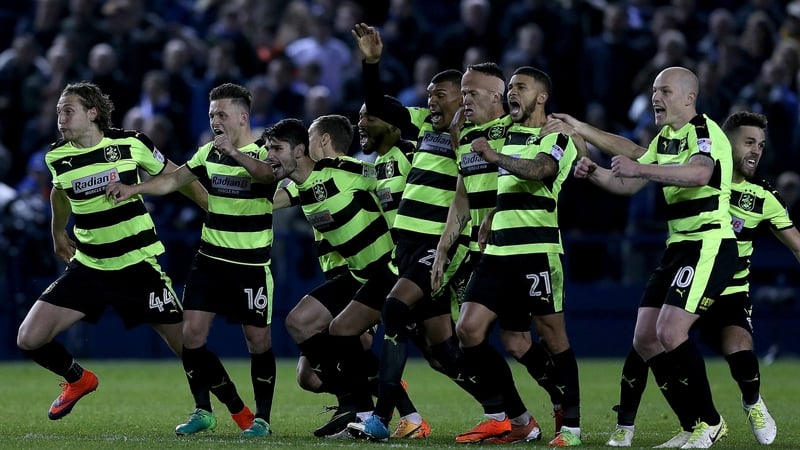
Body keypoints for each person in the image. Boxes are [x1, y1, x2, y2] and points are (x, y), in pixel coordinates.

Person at [567, 66, 738, 449]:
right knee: (646, 338)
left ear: (689, 98)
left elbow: (698, 175)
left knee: (670, 332)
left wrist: (640, 167)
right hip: (678, 246)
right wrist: (592, 167)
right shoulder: (665, 138)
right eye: (653, 90)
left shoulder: (704, 132)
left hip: (709, 242)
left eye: (663, 90)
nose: (655, 97)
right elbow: (626, 181)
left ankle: (710, 422)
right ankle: (691, 422)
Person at [15, 81, 207, 422]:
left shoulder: (130, 143)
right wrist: (57, 230)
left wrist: (212, 208)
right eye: (59, 110)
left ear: (92, 114)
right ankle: (78, 380)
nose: (60, 117)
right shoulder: (57, 157)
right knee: (29, 338)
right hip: (89, 265)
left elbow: (178, 177)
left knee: (186, 345)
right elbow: (59, 194)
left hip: (137, 265)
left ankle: (220, 410)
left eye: (68, 110)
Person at [601, 111, 790, 447]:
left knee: (739, 350)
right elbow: (642, 157)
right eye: (748, 142)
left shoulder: (763, 198)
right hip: (687, 271)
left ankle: (751, 402)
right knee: (645, 341)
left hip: (729, 290)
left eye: (760, 145)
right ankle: (679, 424)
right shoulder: (690, 169)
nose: (756, 151)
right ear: (724, 142)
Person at [106, 83, 277, 438]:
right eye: (212, 114)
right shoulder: (209, 153)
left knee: (257, 341)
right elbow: (173, 181)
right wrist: (133, 189)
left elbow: (267, 176)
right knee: (191, 335)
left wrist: (233, 151)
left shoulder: (265, 151)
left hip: (250, 265)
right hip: (210, 259)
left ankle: (262, 418)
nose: (215, 120)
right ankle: (203, 409)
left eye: (222, 114)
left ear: (243, 117)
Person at [345, 24, 477, 442]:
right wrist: (372, 63)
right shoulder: (421, 124)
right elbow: (377, 105)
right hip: (409, 245)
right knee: (443, 354)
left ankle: (383, 417)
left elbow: (473, 190)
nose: (430, 100)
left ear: (463, 97)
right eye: (429, 95)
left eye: (440, 94)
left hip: (442, 243)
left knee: (395, 310)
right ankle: (511, 409)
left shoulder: (479, 136)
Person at [447, 66, 585, 447]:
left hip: (537, 252)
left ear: (541, 96)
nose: (512, 92)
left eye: (520, 87)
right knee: (469, 330)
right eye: (509, 87)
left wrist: (493, 155)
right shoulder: (506, 133)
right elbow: (490, 184)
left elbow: (543, 170)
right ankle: (519, 419)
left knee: (553, 337)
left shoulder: (555, 136)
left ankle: (570, 426)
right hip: (497, 252)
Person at [258, 116, 400, 439]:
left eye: (276, 148)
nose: (270, 155)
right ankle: (358, 402)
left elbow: (389, 183)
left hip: (385, 272)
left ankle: (392, 406)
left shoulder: (348, 171)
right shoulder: (299, 185)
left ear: (305, 147)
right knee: (304, 358)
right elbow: (265, 202)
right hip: (352, 275)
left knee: (437, 348)